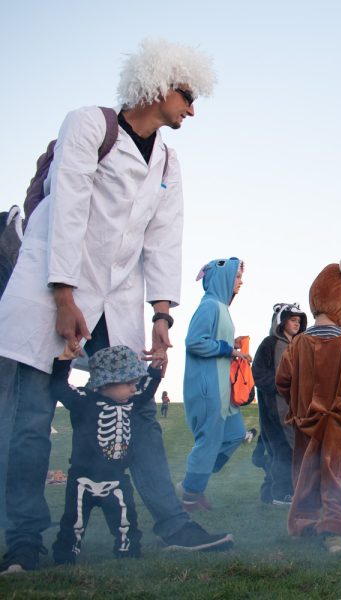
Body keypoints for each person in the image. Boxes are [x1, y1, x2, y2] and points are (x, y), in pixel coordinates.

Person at [0, 38, 232, 575]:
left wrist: (160, 320)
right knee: (30, 420)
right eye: (187, 95)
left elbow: (164, 240)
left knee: (140, 414)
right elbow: (69, 209)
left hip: (118, 301)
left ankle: (173, 526)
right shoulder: (87, 125)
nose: (192, 109)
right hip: (49, 289)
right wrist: (63, 296)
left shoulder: (170, 161)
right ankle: (23, 544)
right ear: (157, 84)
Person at [276, 258, 341, 553]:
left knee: (306, 473)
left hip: (304, 421)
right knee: (336, 474)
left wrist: (299, 403)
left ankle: (304, 524)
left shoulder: (297, 344)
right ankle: (335, 531)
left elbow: (283, 381)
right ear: (340, 302)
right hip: (337, 423)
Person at [50, 346, 160, 564]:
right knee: (74, 521)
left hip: (117, 478)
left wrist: (155, 372)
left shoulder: (130, 402)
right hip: (82, 478)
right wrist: (63, 362)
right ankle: (65, 556)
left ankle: (128, 552)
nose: (133, 388)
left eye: (134, 383)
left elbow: (146, 390)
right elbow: (59, 387)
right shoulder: (83, 400)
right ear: (106, 382)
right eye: (128, 383)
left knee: (126, 519)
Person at [179, 258, 249, 511]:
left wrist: (234, 344)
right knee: (208, 441)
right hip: (208, 386)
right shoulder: (209, 306)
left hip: (223, 388)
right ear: (223, 279)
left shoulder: (220, 307)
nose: (241, 283)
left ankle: (193, 480)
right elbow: (195, 342)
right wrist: (228, 350)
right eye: (237, 278)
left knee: (235, 434)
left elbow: (216, 341)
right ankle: (191, 495)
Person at [252, 303, 307, 505]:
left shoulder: (301, 346)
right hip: (275, 409)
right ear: (282, 321)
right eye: (293, 320)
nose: (296, 323)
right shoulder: (269, 343)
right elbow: (257, 373)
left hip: (296, 408)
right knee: (282, 451)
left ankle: (268, 493)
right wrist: (281, 386)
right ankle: (281, 493)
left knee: (288, 450)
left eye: (299, 321)